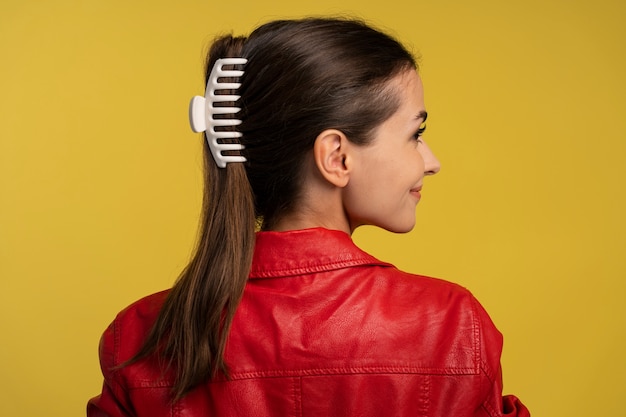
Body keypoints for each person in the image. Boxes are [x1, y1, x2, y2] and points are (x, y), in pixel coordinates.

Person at [88, 17, 530, 417]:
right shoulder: (452, 327)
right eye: (416, 134)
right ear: (336, 156)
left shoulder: (141, 338)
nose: (431, 161)